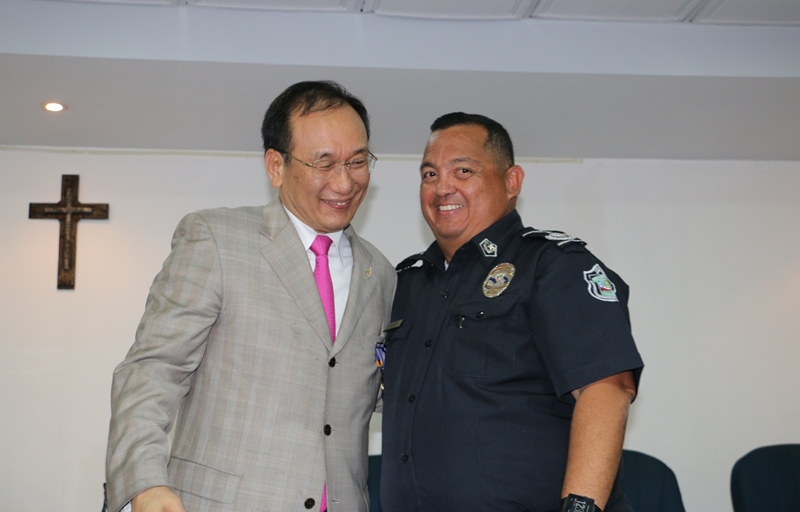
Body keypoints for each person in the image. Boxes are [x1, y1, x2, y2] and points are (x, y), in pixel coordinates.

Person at [105, 80, 396, 512]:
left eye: (357, 162)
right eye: (324, 163)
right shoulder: (216, 239)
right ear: (276, 166)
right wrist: (145, 483)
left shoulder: (382, 274)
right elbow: (154, 370)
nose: (345, 181)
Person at [380, 112, 644, 512]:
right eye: (429, 175)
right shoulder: (403, 284)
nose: (442, 187)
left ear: (511, 181)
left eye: (463, 170)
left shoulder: (552, 265)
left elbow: (607, 388)